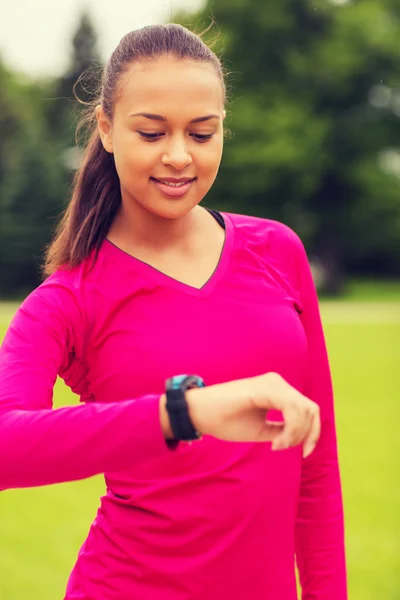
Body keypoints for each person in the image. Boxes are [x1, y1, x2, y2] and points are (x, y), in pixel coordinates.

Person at [0, 23, 347, 600]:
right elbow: (7, 451)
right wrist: (182, 413)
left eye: (203, 133)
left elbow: (316, 461)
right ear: (107, 130)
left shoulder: (277, 251)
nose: (179, 156)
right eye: (153, 132)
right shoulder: (67, 300)